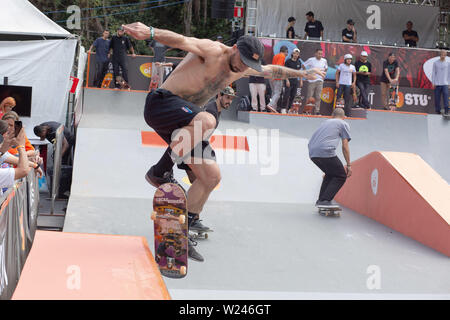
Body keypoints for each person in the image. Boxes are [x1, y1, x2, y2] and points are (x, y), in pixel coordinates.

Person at [122, 21, 325, 262]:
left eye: (248, 66)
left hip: (186, 125)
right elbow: (181, 40)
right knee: (208, 120)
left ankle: (180, 233)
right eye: (243, 61)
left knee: (211, 177)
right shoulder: (212, 50)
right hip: (161, 104)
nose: (243, 68)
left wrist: (301, 73)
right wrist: (152, 32)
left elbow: (270, 70)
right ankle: (160, 171)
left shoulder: (242, 68)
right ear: (236, 49)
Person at [308, 108, 352, 208]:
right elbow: (345, 146)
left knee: (330, 174)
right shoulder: (343, 124)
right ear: (344, 117)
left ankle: (321, 200)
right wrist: (349, 165)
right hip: (325, 151)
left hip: (312, 153)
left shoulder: (325, 122)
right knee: (341, 175)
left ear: (332, 116)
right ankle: (325, 200)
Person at [304, 48, 328, 115]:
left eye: (321, 54)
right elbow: (303, 65)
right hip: (312, 81)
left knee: (318, 97)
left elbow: (326, 68)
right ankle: (307, 111)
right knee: (309, 96)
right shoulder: (311, 60)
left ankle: (317, 111)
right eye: (319, 53)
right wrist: (307, 74)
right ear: (315, 54)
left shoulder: (324, 60)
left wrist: (323, 75)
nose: (320, 55)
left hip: (320, 80)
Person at [266, 46, 289, 113]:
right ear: (285, 51)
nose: (287, 54)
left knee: (274, 93)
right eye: (287, 52)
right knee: (277, 93)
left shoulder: (275, 56)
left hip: (272, 77)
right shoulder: (282, 56)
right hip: (277, 77)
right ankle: (271, 105)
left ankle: (273, 108)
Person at [282, 48, 303, 113]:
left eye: (297, 54)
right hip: (288, 80)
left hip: (295, 81)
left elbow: (300, 72)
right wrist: (287, 80)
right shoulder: (288, 61)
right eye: (295, 53)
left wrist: (301, 80)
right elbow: (284, 71)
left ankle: (289, 109)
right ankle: (283, 109)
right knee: (286, 95)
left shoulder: (299, 62)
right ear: (292, 54)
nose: (296, 55)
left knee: (293, 96)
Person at [431, 49, 449, 115]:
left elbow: (449, 74)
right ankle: (438, 111)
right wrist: (433, 82)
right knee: (437, 98)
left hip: (445, 84)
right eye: (442, 54)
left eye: (444, 54)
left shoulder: (448, 64)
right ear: (440, 54)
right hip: (437, 83)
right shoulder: (435, 63)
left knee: (446, 98)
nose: (443, 55)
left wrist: (449, 83)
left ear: (446, 55)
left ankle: (447, 110)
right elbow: (433, 73)